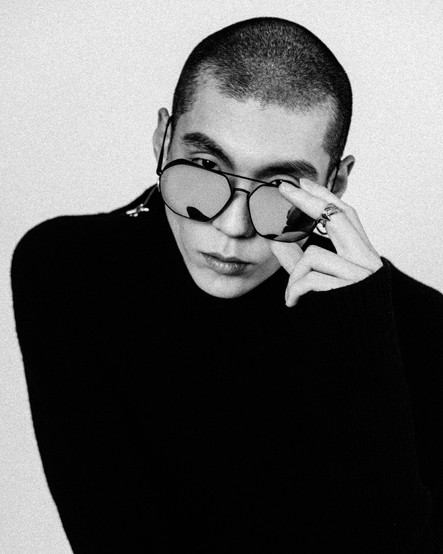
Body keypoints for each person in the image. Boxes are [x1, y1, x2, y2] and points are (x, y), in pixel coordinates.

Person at [11, 16, 443, 553]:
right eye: (205, 164)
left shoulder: (420, 328)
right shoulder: (69, 271)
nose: (233, 226)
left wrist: (364, 349)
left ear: (335, 183)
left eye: (281, 185)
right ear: (162, 140)